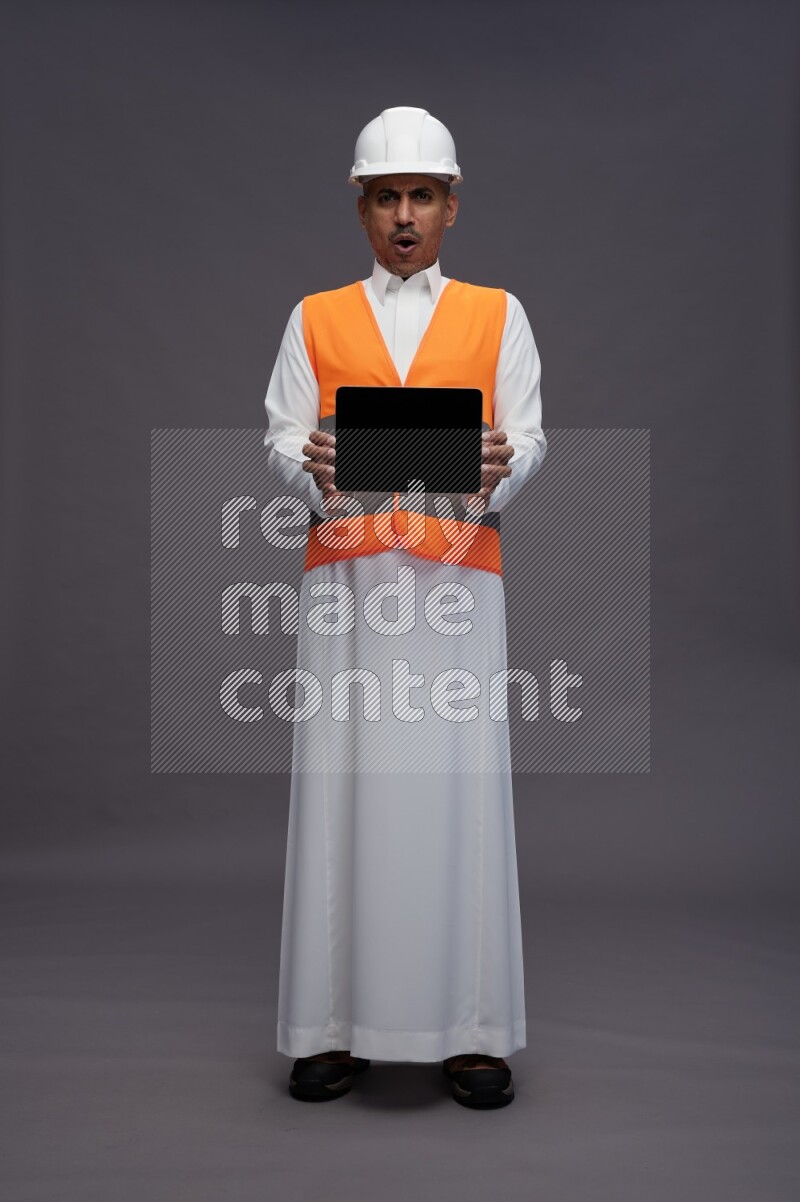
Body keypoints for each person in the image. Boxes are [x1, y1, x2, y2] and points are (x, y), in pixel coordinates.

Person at [262, 106, 547, 1108]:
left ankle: (468, 1030)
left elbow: (527, 438)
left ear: (451, 207)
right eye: (385, 195)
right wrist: (309, 463)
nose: (403, 213)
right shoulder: (313, 317)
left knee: (456, 792)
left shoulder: (497, 313)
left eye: (421, 194)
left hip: (457, 584)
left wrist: (496, 470)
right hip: (347, 588)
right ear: (361, 207)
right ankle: (332, 1025)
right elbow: (280, 436)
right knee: (344, 790)